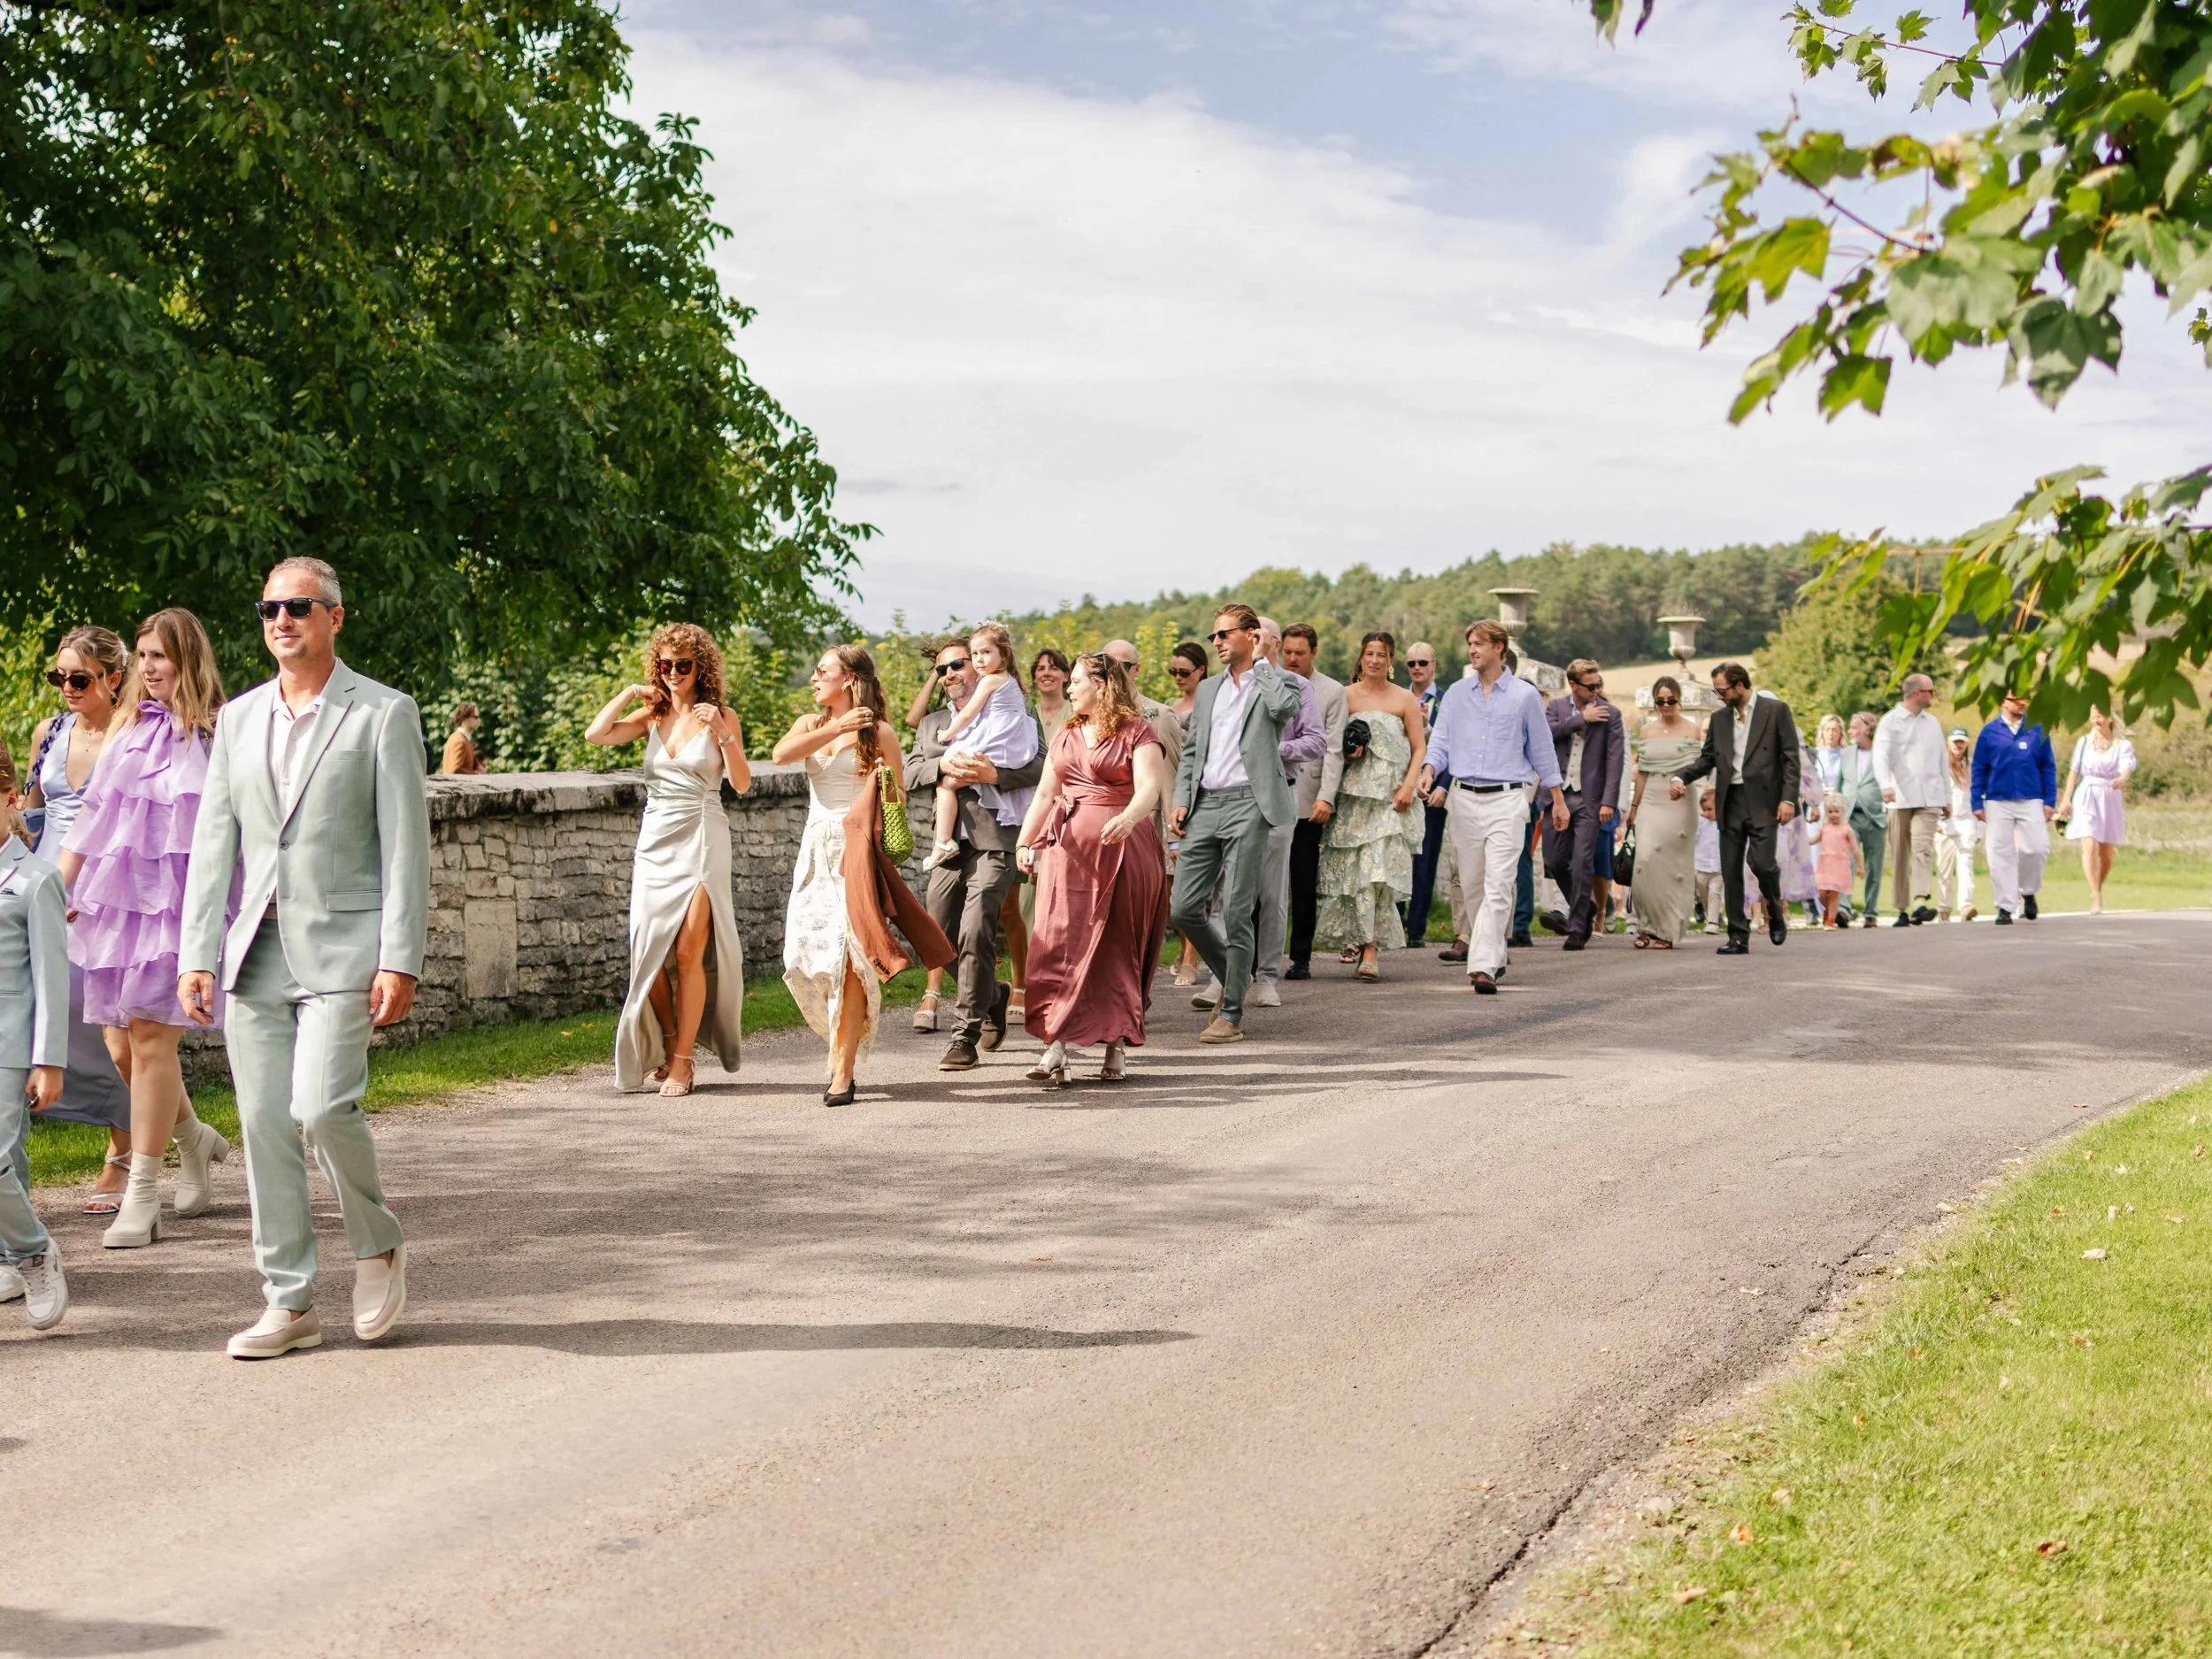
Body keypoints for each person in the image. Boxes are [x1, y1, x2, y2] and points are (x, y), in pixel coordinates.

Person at [180, 557, 428, 1360]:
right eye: (269, 608)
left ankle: (378, 1243)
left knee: (320, 1108)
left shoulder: (384, 713)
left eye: (298, 606)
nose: (281, 619)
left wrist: (401, 956)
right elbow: (214, 841)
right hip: (254, 951)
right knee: (261, 1125)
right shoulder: (240, 718)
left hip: (345, 947)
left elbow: (405, 849)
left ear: (334, 617)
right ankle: (288, 1302)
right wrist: (198, 954)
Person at [58, 608, 233, 1248]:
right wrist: (58, 887)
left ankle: (142, 1193)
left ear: (187, 658)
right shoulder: (128, 728)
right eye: (144, 655)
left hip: (183, 910)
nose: (149, 667)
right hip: (121, 905)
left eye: (160, 655)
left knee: (155, 1040)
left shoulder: (219, 732)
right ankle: (193, 1138)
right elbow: (93, 817)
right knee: (124, 1048)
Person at [773, 646, 950, 1103]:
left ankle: (844, 1069)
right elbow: (780, 755)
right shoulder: (811, 724)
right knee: (802, 957)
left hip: (856, 851)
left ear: (848, 679)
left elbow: (897, 803)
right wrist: (836, 728)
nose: (814, 678)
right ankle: (840, 1040)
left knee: (850, 958)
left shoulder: (881, 733)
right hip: (816, 850)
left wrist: (881, 780)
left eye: (822, 671)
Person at [585, 625, 749, 1098]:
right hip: (655, 841)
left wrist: (723, 734)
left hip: (702, 836)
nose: (674, 673)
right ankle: (674, 1041)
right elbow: (597, 735)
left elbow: (740, 784)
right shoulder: (652, 715)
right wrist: (627, 693)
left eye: (683, 665)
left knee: (686, 951)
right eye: (665, 665)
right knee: (649, 953)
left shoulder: (722, 716)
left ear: (702, 668)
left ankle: (682, 1062)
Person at [1015, 654, 1171, 1085]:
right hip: (1068, 853)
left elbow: (1150, 789)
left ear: (1102, 686)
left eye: (1077, 681)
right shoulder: (1066, 732)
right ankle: (1055, 1045)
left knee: (1115, 945)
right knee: (1058, 941)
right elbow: (1046, 794)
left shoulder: (1138, 732)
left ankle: (1116, 1045)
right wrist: (1025, 841)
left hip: (1123, 851)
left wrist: (1128, 818)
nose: (1069, 689)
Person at [23, 626, 133, 1214]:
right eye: (57, 676)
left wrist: (84, 886)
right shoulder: (50, 732)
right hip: (42, 879)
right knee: (35, 1005)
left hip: (102, 884)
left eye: (79, 678)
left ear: (113, 678)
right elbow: (30, 813)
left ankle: (124, 1143)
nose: (66, 687)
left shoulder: (132, 733)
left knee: (103, 1022)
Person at [1166, 604, 1305, 1041]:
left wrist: (1262, 665)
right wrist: (1181, 798)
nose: (1218, 642)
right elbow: (1192, 751)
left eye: (1225, 634)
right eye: (1214, 637)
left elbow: (1285, 710)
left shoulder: (1279, 680)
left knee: (1238, 910)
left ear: (1251, 636)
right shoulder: (1207, 690)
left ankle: (1231, 1013)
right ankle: (1234, 973)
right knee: (1183, 906)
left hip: (1251, 803)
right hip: (1206, 803)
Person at [907, 640, 1046, 1071]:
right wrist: (942, 767)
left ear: (981, 665)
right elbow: (910, 770)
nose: (948, 673)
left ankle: (963, 1035)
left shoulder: (1011, 712)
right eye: (940, 669)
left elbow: (1044, 765)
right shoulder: (931, 725)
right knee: (936, 935)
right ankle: (994, 995)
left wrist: (996, 774)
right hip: (950, 844)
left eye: (957, 664)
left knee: (976, 928)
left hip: (998, 838)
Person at [1416, 620, 1566, 995]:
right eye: (1469, 643)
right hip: (1463, 798)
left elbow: (1543, 751)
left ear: (1499, 647)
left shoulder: (1524, 695)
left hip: (1509, 798)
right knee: (1473, 888)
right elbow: (1441, 742)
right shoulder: (1455, 694)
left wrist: (1558, 799)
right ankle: (1495, 955)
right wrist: (1429, 769)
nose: (1472, 650)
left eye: (1479, 643)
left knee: (1500, 883)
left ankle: (1482, 965)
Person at [0, 741, 70, 1329]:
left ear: (9, 798)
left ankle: (33, 1252)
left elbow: (51, 978)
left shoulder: (36, 880)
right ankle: (9, 1254)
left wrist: (47, 1059)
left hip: (9, 1047)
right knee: (8, 1159)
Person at [1668, 662, 1801, 955]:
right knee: (1730, 870)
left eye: (1721, 690)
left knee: (1763, 864)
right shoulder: (1719, 720)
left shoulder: (1775, 711)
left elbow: (1790, 758)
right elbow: (1707, 759)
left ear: (1739, 685)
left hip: (1765, 801)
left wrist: (1788, 798)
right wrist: (1681, 776)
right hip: (1731, 801)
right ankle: (1738, 936)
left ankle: (1774, 909)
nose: (1718, 695)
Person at [1314, 632, 1426, 979]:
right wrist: (1348, 753)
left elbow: (1419, 747)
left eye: (1382, 654)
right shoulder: (1343, 696)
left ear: (1391, 661)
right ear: (1361, 658)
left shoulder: (1405, 699)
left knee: (1377, 876)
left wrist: (1408, 787)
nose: (1375, 660)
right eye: (1369, 654)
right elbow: (1330, 746)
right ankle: (1357, 940)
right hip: (1352, 801)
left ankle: (1371, 950)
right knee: (1354, 876)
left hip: (1390, 802)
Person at [1226, 617, 1325, 1010]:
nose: (1253, 642)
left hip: (1277, 795)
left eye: (1260, 636)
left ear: (1273, 642)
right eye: (1247, 636)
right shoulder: (1226, 687)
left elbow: (1316, 741)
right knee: (1230, 894)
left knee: (1271, 893)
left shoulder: (1298, 686)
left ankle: (1267, 976)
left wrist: (1275, 750)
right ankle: (1227, 975)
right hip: (1230, 797)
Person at [922, 624, 1036, 874]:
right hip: (1012, 741)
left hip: (997, 739)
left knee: (947, 784)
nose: (980, 659)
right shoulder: (1010, 681)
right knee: (949, 782)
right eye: (975, 654)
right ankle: (943, 842)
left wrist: (948, 734)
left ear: (1003, 655)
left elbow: (967, 716)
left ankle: (942, 842)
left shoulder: (990, 682)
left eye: (986, 653)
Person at [1277, 624, 1346, 982]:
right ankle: (1259, 954)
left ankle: (1300, 956)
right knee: (1265, 883)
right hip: (1271, 796)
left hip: (1309, 797)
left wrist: (1326, 796)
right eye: (1287, 652)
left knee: (1303, 883)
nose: (1292, 659)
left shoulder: (1331, 691)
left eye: (1299, 653)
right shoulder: (1269, 682)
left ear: (1313, 653)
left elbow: (1333, 748)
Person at [1542, 659, 1623, 949]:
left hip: (1591, 799)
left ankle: (1577, 928)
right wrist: (1581, 719)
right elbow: (1546, 736)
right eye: (1591, 686)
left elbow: (1616, 759)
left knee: (1582, 861)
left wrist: (1609, 801)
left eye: (1599, 684)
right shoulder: (1556, 708)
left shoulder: (1611, 713)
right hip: (1557, 796)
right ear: (1573, 685)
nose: (1597, 690)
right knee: (1554, 860)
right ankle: (1585, 906)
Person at [1624, 675, 1701, 949]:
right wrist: (1634, 807)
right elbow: (1642, 772)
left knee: (1672, 866)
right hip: (1652, 800)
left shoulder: (1693, 730)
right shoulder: (1646, 731)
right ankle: (1645, 926)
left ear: (1679, 700)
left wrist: (1687, 785)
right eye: (1660, 701)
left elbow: (1700, 768)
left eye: (1671, 700)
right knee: (1644, 862)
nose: (1666, 705)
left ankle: (1667, 930)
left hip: (1679, 801)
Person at [1972, 689, 2057, 926]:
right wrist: (1976, 801)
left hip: (2031, 797)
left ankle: (2028, 890)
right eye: (2016, 700)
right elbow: (1979, 767)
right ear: (2003, 702)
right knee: (1999, 853)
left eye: (2024, 700)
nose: (2022, 704)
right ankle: (2005, 906)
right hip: (1998, 799)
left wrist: (2050, 801)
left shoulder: (2037, 729)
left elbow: (2048, 766)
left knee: (2037, 848)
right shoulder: (1989, 732)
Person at [1873, 673, 1950, 926]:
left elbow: (1942, 762)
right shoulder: (1890, 722)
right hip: (1899, 796)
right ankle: (1901, 909)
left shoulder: (1933, 724)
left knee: (1923, 849)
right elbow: (1881, 756)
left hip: (1929, 797)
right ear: (1917, 693)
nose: (1933, 695)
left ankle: (1920, 901)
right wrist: (1885, 784)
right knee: (1900, 853)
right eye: (1931, 690)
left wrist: (1946, 797)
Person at [2062, 706, 2136, 916]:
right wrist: (2066, 799)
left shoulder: (2122, 744)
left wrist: (2122, 778)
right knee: (2090, 845)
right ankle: (2095, 893)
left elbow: (2128, 765)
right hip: (2086, 793)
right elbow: (2074, 772)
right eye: (2093, 716)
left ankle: (2098, 885)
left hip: (2110, 796)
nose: (2096, 720)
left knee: (2107, 853)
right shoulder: (2084, 743)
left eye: (2100, 716)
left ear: (2110, 718)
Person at [1164, 642, 1208, 987]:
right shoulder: (1167, 709)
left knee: (1193, 884)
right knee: (1170, 887)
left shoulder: (1212, 703)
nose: (1178, 678)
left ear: (1202, 670)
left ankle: (1193, 957)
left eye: (1184, 672)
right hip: (1172, 797)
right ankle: (1184, 944)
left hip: (1205, 796)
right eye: (1173, 672)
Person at [1840, 711, 1886, 926]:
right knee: (1847, 861)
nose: (1850, 731)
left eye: (1855, 727)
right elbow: (1842, 784)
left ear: (1868, 730)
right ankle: (1843, 908)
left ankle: (1870, 912)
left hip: (1876, 816)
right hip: (1850, 816)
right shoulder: (1846, 753)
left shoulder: (1882, 753)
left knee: (1874, 866)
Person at [1937, 726, 1979, 922]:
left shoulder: (1972, 766)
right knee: (1944, 867)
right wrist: (1936, 820)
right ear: (1949, 743)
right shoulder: (1941, 766)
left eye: (1962, 742)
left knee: (1966, 863)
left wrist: (1980, 826)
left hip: (1967, 820)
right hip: (1945, 822)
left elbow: (1979, 795)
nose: (1959, 746)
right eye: (1955, 742)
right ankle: (1944, 908)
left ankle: (1965, 905)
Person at [1812, 792, 1865, 927]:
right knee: (1821, 893)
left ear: (1843, 811)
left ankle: (1830, 920)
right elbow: (1814, 840)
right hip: (1825, 865)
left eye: (1836, 811)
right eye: (1830, 811)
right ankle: (1829, 910)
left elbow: (1855, 850)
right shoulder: (1824, 829)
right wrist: (1802, 841)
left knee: (1834, 894)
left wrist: (1860, 866)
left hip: (1839, 866)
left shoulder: (1847, 830)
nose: (1833, 814)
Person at [1693, 784, 1722, 933]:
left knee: (1715, 892)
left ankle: (1713, 922)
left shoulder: (1723, 823)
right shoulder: (1700, 822)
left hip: (1719, 867)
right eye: (1704, 810)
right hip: (1701, 865)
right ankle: (1710, 914)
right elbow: (1694, 838)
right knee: (1703, 894)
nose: (1707, 813)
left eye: (1710, 809)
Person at [440, 703, 485, 774]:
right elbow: (454, 770)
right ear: (464, 719)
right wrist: (476, 774)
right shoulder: (460, 741)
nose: (479, 720)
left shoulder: (460, 738)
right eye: (476, 717)